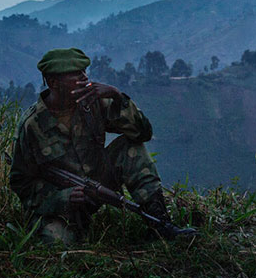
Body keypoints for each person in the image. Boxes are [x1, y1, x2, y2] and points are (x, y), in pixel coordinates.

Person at [9, 47, 172, 244]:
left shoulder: (91, 104)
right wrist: (63, 198)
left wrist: (117, 97)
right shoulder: (32, 126)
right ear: (53, 82)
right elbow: (21, 183)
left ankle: (161, 225)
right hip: (63, 202)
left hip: (98, 183)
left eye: (84, 72)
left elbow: (143, 133)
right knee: (56, 242)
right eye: (75, 75)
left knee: (131, 147)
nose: (84, 78)